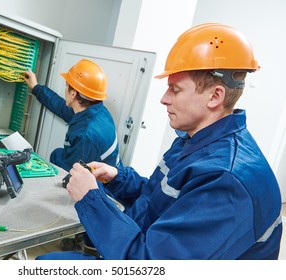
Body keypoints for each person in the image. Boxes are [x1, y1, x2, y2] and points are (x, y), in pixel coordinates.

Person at [36, 23, 283, 260]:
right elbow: (156, 197)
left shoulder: (225, 181)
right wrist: (117, 177)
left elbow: (151, 264)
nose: (164, 99)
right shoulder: (193, 141)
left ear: (215, 96)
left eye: (174, 90)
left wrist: (90, 198)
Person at [23, 59, 121, 254]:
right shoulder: (95, 110)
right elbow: (63, 108)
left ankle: (76, 236)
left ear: (74, 93)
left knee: (58, 176)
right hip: (102, 173)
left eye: (67, 86)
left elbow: (73, 180)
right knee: (56, 155)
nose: (65, 89)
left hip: (101, 189)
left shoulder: (86, 135)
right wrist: (36, 87)